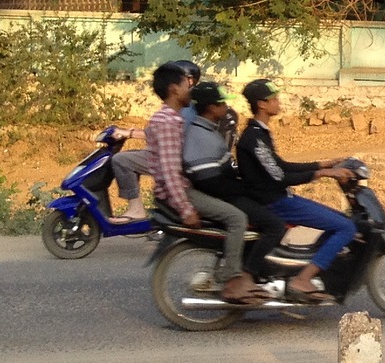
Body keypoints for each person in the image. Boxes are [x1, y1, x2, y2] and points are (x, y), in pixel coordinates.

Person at [145, 62, 264, 305]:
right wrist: (185, 209)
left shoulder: (171, 119)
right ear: (173, 89)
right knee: (236, 218)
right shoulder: (167, 122)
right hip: (179, 192)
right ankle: (231, 280)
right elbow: (170, 172)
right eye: (184, 84)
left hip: (183, 187)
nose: (190, 89)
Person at [236, 78, 357, 303]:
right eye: (274, 99)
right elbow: (279, 176)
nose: (278, 102)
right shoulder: (253, 138)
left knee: (340, 221)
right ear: (262, 104)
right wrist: (322, 174)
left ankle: (313, 269)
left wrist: (322, 164)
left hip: (278, 197)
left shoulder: (259, 133)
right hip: (276, 201)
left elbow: (280, 164)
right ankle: (302, 280)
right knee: (346, 227)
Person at [183, 81, 286, 283]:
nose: (227, 108)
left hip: (219, 188)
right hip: (208, 192)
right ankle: (236, 275)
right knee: (263, 222)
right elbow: (210, 182)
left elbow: (226, 169)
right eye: (222, 104)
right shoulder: (201, 136)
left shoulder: (210, 131)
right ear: (212, 108)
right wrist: (245, 187)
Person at [109, 60, 203, 224]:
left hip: (177, 157)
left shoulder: (183, 109)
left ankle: (137, 209)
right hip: (178, 157)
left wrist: (129, 133)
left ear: (189, 81)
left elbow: (169, 161)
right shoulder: (179, 108)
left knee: (121, 160)